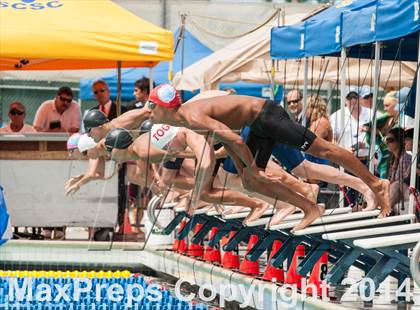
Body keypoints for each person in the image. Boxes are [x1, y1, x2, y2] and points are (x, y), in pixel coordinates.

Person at [147, 84, 390, 228]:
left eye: (151, 105)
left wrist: (251, 167)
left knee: (321, 150)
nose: (148, 111)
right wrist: (248, 171)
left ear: (164, 108)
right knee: (250, 181)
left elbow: (235, 140)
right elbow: (227, 140)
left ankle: (376, 183)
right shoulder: (187, 120)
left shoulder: (191, 117)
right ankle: (309, 208)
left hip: (267, 116)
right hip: (256, 125)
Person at [104, 126, 272, 224]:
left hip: (200, 141)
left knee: (209, 189)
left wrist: (207, 154)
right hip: (200, 140)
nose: (109, 156)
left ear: (119, 147)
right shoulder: (138, 148)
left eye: (110, 151)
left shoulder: (140, 150)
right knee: (212, 187)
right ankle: (254, 202)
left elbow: (177, 155)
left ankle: (256, 203)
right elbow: (160, 161)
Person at [386, 127, 412, 214]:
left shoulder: (405, 157)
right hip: (397, 192)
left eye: (390, 140)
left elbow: (404, 182)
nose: (387, 143)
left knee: (396, 185)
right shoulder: (392, 160)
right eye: (386, 140)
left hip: (405, 191)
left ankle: (385, 209)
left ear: (398, 140)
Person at [304, 94, 332, 167]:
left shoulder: (320, 123)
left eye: (306, 107)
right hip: (315, 163)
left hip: (319, 164)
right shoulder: (315, 122)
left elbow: (313, 144)